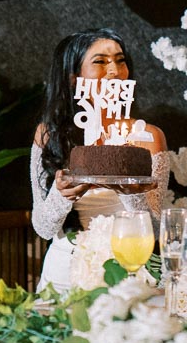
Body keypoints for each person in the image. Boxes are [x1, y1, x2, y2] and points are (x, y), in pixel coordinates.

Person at [31, 29, 168, 292]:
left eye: (120, 60)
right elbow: (44, 228)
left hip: (128, 272)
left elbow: (155, 229)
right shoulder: (49, 135)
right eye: (100, 61)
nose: (115, 71)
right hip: (64, 271)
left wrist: (131, 194)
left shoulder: (147, 136)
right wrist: (62, 195)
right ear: (74, 78)